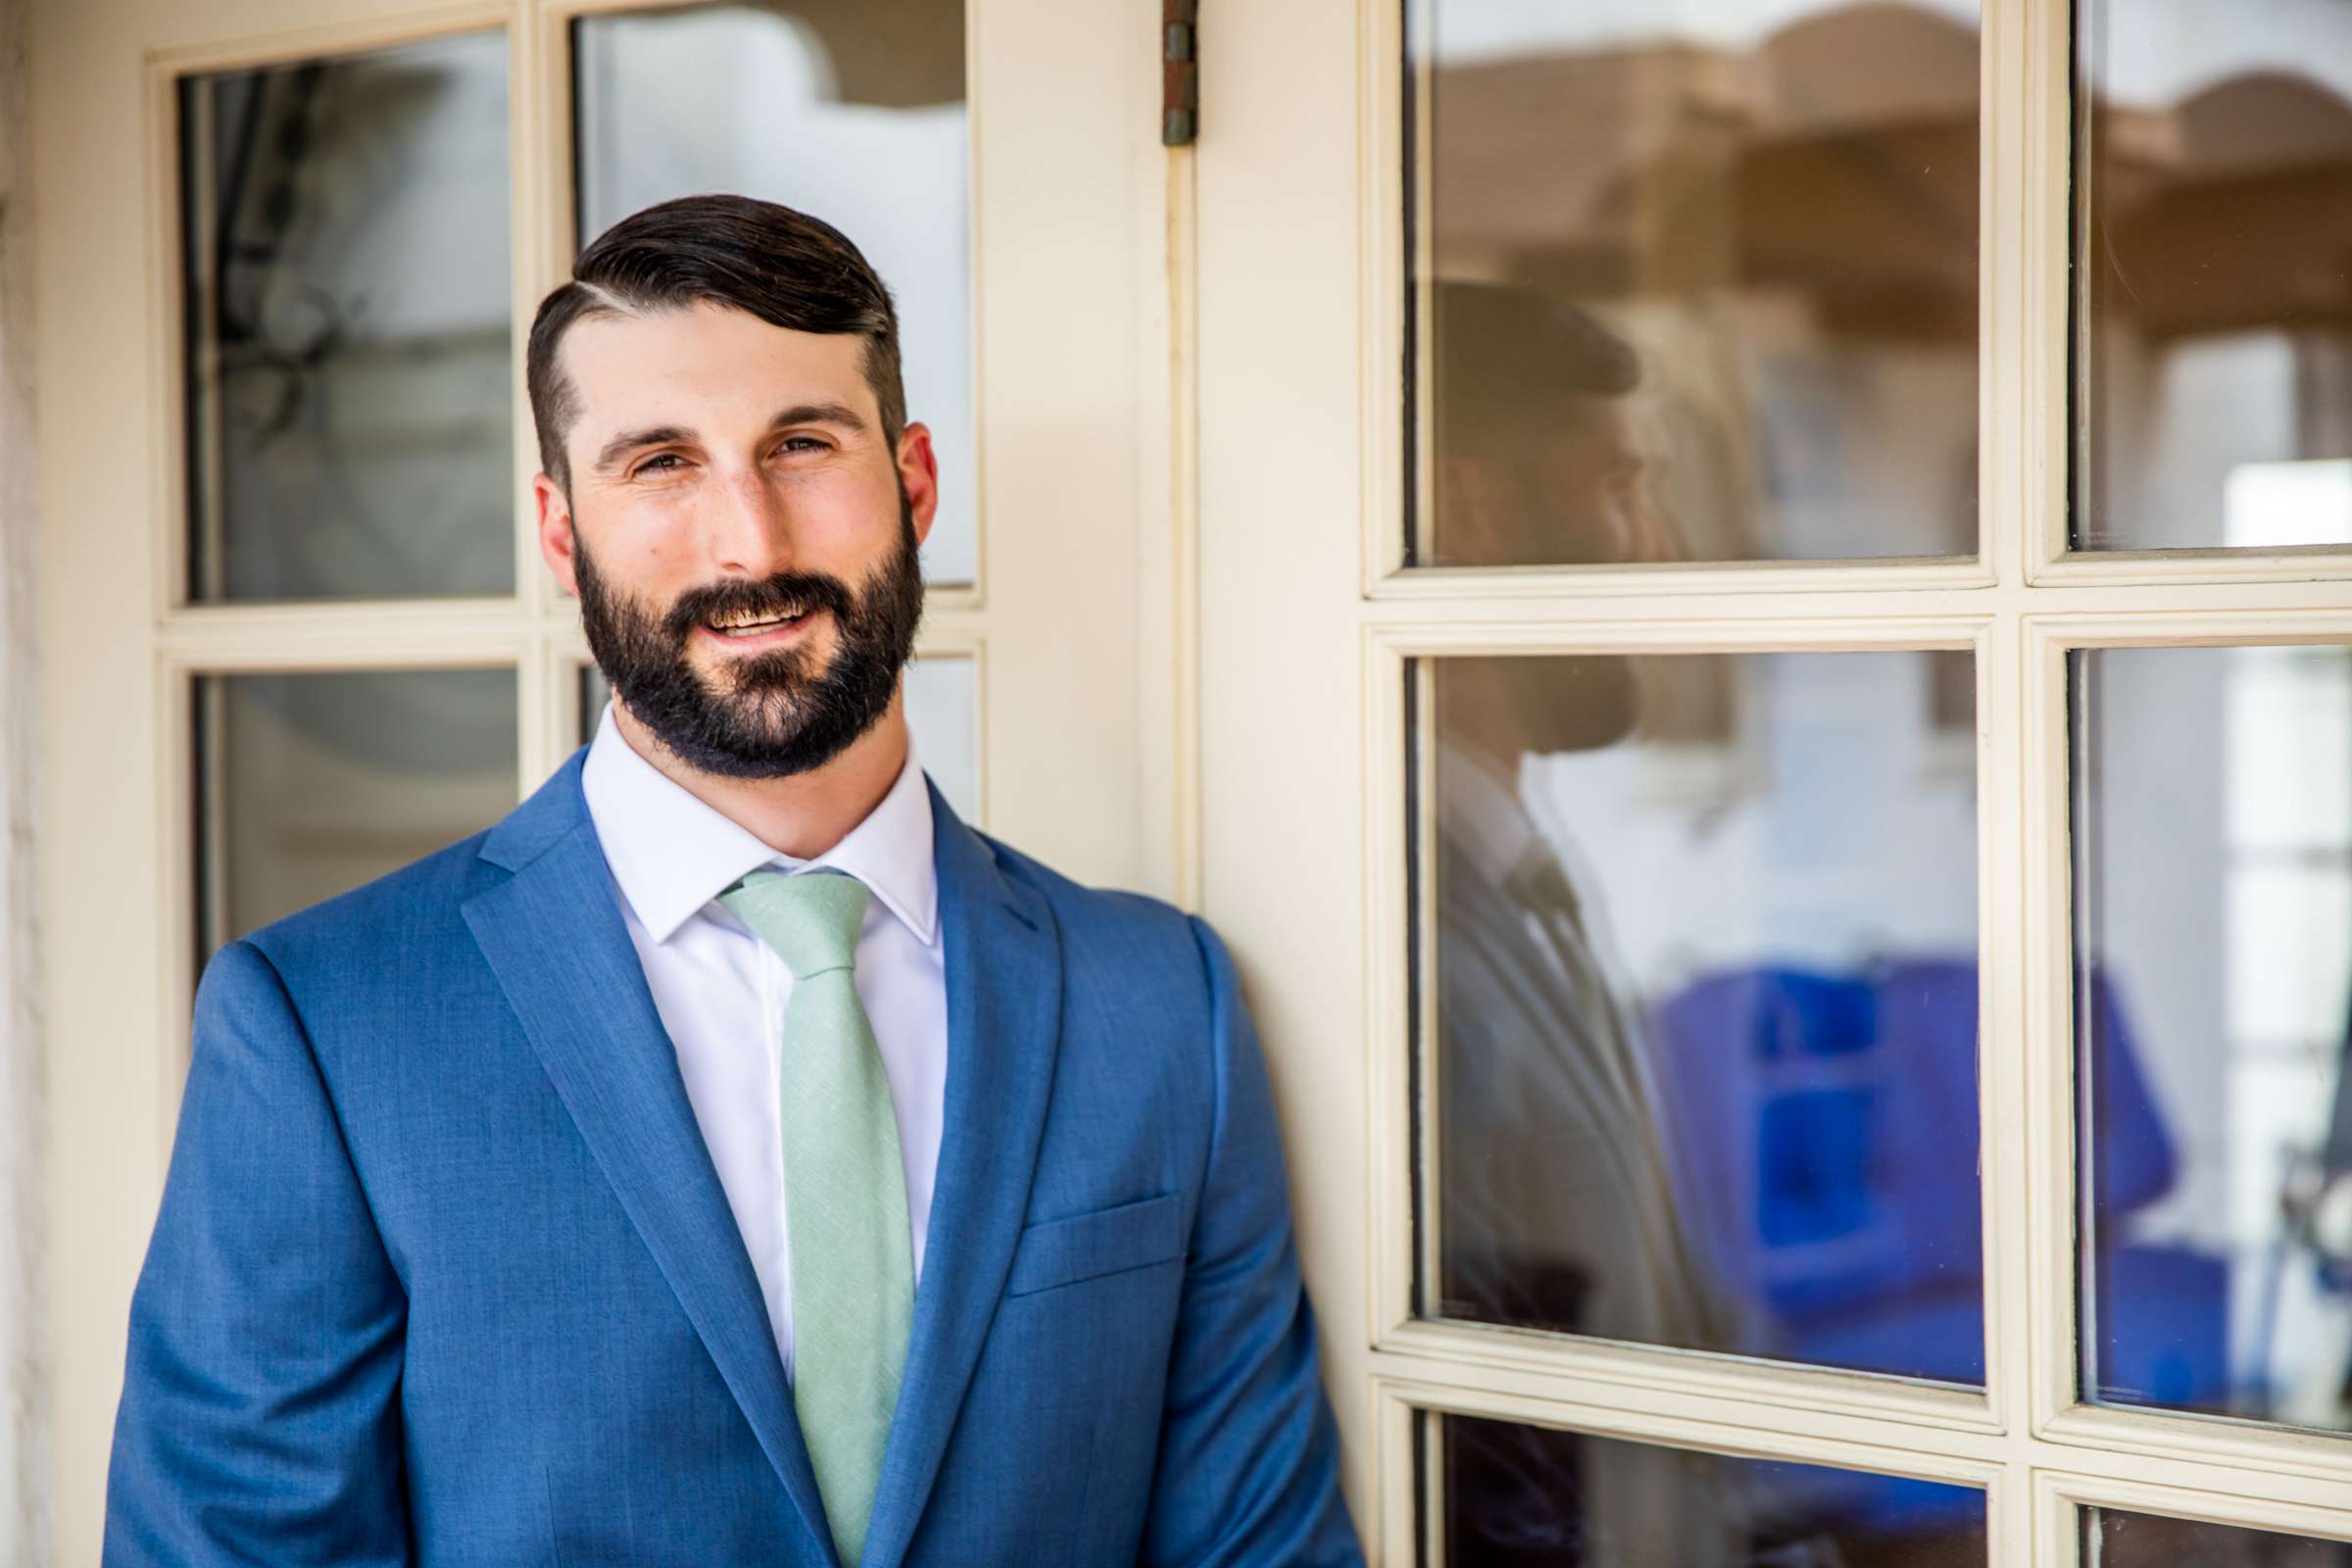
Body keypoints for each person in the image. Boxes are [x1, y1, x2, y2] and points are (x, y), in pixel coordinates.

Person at [102, 195, 1361, 1568]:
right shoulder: (323, 1027)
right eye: (660, 464)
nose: (748, 546)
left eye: (802, 446)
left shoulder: (1163, 1003)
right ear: (560, 531)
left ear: (915, 482)